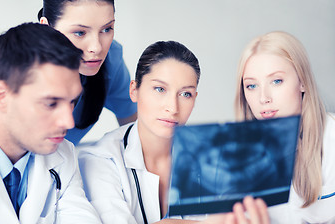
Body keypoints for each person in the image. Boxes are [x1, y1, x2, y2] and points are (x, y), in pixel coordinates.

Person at [78, 40, 270, 224]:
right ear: (134, 90)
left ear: (195, 98)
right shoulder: (99, 159)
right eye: (160, 89)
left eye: (185, 94)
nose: (173, 107)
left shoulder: (219, 157)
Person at [0, 0, 137, 145]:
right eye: (79, 32)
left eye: (107, 29)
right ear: (46, 26)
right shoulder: (0, 66)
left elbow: (136, 131)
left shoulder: (110, 59)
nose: (96, 48)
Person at [0, 22, 100, 223]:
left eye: (72, 102)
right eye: (51, 104)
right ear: (0, 97)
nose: (69, 122)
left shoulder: (63, 155)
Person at [234, 31, 335, 223]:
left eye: (276, 81)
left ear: (302, 82)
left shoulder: (332, 138)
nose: (264, 98)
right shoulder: (236, 155)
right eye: (251, 86)